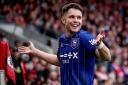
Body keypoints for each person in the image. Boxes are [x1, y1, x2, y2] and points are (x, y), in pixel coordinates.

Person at [18, 3, 111, 85]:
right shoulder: (62, 39)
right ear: (63, 20)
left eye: (79, 17)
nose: (76, 20)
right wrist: (35, 52)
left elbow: (107, 57)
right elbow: (60, 60)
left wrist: (100, 45)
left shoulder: (85, 37)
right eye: (72, 17)